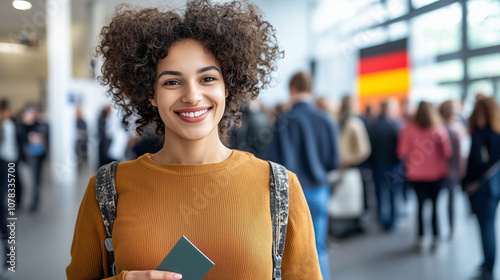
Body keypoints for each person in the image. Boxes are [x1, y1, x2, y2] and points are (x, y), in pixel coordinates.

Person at [66, 1, 322, 279]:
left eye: (208, 78)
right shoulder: (106, 190)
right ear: (150, 94)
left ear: (228, 87)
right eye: (172, 82)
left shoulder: (279, 187)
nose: (192, 95)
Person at [266, 71, 340, 280]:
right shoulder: (325, 119)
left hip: (290, 194)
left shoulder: (283, 120)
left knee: (289, 252)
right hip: (319, 190)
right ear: (310, 88)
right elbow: (334, 161)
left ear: (292, 89)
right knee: (318, 247)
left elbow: (272, 163)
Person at [397, 101, 452, 253]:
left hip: (416, 175)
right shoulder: (438, 129)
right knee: (435, 206)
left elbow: (402, 152)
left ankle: (421, 238)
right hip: (437, 175)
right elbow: (447, 152)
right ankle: (436, 237)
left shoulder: (408, 129)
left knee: (420, 206)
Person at [462, 97, 500, 280]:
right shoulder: (497, 130)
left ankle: (488, 268)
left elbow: (476, 162)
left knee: (486, 227)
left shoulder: (479, 132)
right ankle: (487, 263)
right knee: (490, 225)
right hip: (496, 185)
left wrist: (466, 182)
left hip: (482, 187)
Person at [368, 99, 402, 231]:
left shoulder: (373, 126)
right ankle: (393, 221)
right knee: (393, 193)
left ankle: (382, 220)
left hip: (377, 165)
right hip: (393, 165)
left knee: (379, 194)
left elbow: (369, 147)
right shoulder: (395, 126)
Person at [438, 100, 464, 239]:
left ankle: (449, 227)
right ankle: (451, 227)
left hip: (448, 169)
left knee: (449, 199)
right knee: (451, 199)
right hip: (451, 169)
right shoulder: (450, 128)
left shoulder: (453, 126)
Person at [18, 103, 49, 212]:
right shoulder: (29, 124)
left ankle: (35, 202)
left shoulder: (45, 125)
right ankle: (30, 201)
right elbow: (21, 134)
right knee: (32, 180)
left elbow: (48, 140)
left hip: (40, 155)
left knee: (37, 180)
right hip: (30, 155)